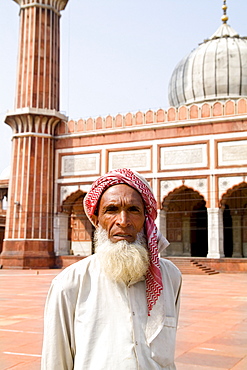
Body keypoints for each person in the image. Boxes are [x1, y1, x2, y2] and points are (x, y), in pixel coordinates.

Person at [41, 168, 182, 370]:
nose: (123, 221)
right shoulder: (70, 284)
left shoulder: (170, 277)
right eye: (111, 210)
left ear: (146, 219)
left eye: (133, 210)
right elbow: (55, 362)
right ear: (96, 220)